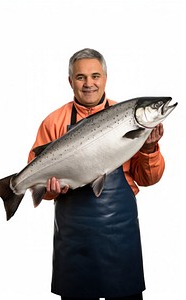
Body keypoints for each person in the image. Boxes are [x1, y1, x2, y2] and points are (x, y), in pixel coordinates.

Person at [28, 48, 165, 300]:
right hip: (74, 242)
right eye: (80, 77)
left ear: (105, 78)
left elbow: (148, 179)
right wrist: (49, 189)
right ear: (70, 81)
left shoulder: (127, 118)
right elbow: (41, 185)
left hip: (120, 237)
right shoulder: (54, 122)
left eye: (95, 76)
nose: (89, 83)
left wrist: (149, 148)